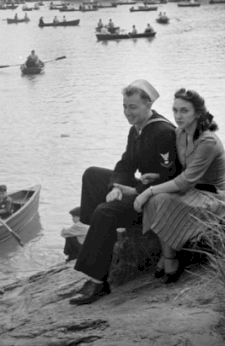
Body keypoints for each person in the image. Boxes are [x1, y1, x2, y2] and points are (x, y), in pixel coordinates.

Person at [70, 79, 178, 305]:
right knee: (92, 175)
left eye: (133, 107)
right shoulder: (136, 129)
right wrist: (116, 187)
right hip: (141, 187)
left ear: (148, 105)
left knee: (105, 211)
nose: (127, 112)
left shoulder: (163, 132)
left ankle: (98, 281)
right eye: (125, 106)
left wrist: (135, 189)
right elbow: (126, 164)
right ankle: (98, 237)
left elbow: (172, 177)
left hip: (156, 198)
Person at [134, 89, 225, 283]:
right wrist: (155, 177)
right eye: (175, 110)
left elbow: (185, 180)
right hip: (193, 190)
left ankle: (169, 258)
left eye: (184, 111)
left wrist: (148, 191)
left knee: (159, 198)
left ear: (197, 113)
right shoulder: (180, 133)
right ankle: (168, 255)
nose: (178, 116)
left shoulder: (208, 141)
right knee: (157, 199)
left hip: (216, 196)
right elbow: (178, 169)